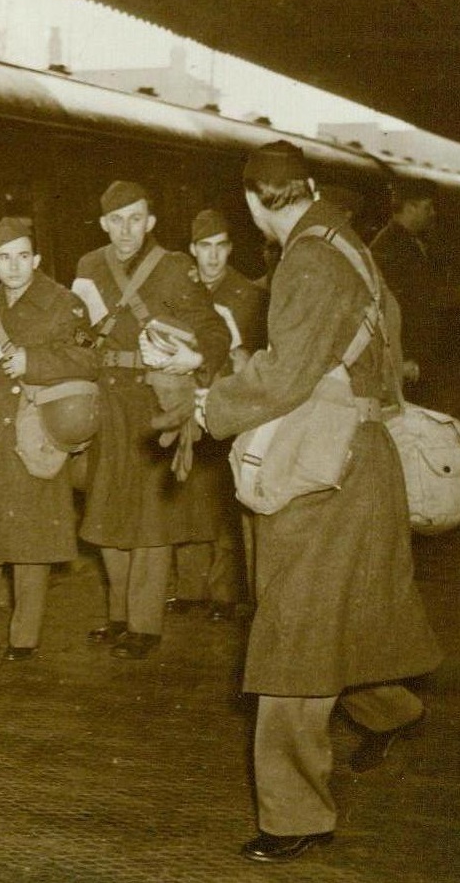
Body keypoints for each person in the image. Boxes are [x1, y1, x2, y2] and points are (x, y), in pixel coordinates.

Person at [150, 141, 442, 863]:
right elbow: (349, 356)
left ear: (254, 204)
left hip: (323, 471)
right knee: (340, 616)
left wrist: (206, 404)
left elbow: (286, 377)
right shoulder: (349, 246)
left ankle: (295, 815)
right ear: (307, 186)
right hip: (361, 456)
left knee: (290, 634)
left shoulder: (305, 260)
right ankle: (395, 713)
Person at [73, 181, 230, 659]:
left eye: (136, 219)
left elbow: (213, 330)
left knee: (150, 521)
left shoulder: (175, 268)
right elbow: (76, 329)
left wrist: (192, 359)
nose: (126, 230)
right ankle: (118, 615)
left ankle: (144, 625)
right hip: (105, 402)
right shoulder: (88, 267)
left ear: (151, 222)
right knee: (106, 512)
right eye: (116, 220)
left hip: (152, 406)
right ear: (103, 224)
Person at [0, 218, 98, 660]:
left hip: (34, 429)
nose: (14, 266)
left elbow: (89, 359)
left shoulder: (65, 303)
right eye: (5, 258)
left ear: (37, 259)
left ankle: (24, 636)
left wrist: (34, 361)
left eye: (22, 257)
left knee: (32, 537)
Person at [169, 209, 266, 621]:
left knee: (227, 495)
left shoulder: (249, 295)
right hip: (186, 402)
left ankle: (226, 593)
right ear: (192, 250)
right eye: (204, 248)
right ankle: (190, 588)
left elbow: (259, 358)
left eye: (220, 247)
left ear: (231, 248)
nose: (212, 257)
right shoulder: (178, 288)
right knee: (188, 493)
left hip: (229, 404)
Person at [370, 178, 460, 406]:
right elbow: (409, 300)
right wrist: (457, 295)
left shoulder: (410, 242)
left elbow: (422, 287)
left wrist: (458, 292)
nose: (433, 213)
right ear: (410, 207)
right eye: (428, 207)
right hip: (407, 351)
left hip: (419, 350)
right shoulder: (389, 246)